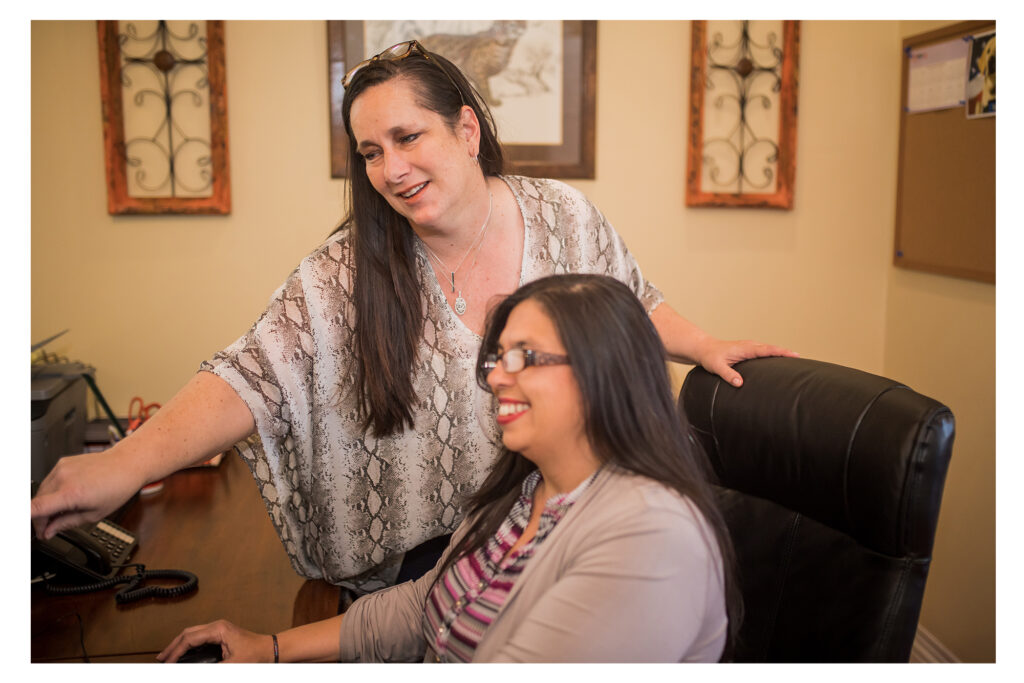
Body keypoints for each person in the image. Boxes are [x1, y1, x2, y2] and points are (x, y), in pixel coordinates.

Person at [31, 40, 793, 595]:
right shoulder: (347, 268)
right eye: (368, 151)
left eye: (406, 137)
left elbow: (630, 301)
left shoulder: (562, 216)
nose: (389, 169)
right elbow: (249, 374)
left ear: (466, 129)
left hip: (554, 538)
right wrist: (125, 464)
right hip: (414, 568)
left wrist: (702, 345)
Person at [158, 273, 738, 663]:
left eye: (526, 358)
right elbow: (427, 604)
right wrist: (270, 649)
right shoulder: (529, 488)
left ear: (604, 372)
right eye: (498, 356)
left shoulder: (650, 536)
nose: (496, 377)